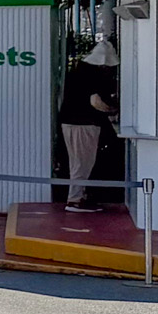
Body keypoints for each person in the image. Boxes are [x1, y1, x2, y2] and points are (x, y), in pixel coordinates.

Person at [60, 35, 119, 209]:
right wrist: (113, 110)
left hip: (69, 122)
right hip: (84, 123)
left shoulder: (79, 71)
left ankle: (79, 195)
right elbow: (95, 102)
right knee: (83, 163)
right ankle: (75, 200)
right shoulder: (93, 74)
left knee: (77, 161)